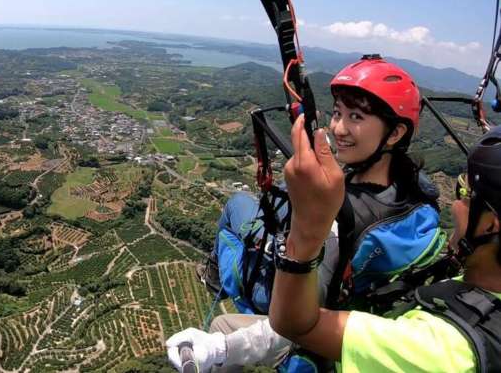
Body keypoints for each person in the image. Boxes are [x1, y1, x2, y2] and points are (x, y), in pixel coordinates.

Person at [167, 56, 445, 372]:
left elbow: (299, 322)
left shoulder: (341, 223)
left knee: (235, 206)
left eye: (356, 116)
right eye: (338, 113)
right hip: (360, 294)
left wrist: (218, 349)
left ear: (394, 134)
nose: (339, 128)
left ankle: (217, 278)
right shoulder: (414, 191)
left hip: (288, 290)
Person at [270, 116, 501, 372]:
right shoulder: (477, 290)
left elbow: (296, 324)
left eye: (462, 192)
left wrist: (307, 227)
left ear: (490, 225)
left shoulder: (436, 351)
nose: (456, 204)